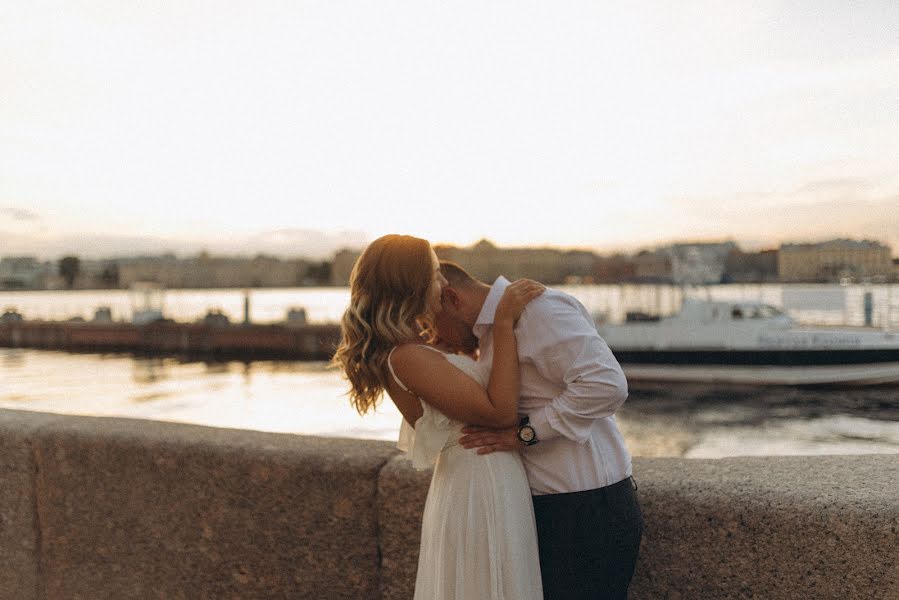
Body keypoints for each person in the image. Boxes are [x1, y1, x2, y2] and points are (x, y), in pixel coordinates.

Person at [332, 234, 546, 600]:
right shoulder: (406, 358)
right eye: (434, 275)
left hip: (481, 476)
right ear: (410, 285)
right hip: (481, 483)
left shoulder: (417, 349)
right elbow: (500, 412)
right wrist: (502, 322)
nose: (444, 283)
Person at [440, 260, 644, 600]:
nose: (432, 334)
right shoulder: (493, 333)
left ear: (452, 299)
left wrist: (522, 435)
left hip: (584, 511)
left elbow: (606, 384)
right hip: (557, 511)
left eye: (428, 320)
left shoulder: (537, 311)